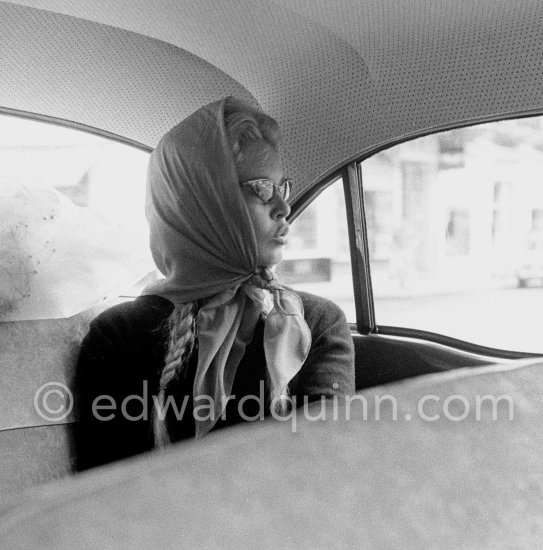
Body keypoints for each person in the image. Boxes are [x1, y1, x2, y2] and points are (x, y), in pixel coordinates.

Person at [75, 96, 355, 470]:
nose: (284, 208)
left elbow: (330, 469)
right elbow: (108, 492)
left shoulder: (316, 324)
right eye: (261, 189)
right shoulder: (119, 336)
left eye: (282, 188)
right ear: (203, 203)